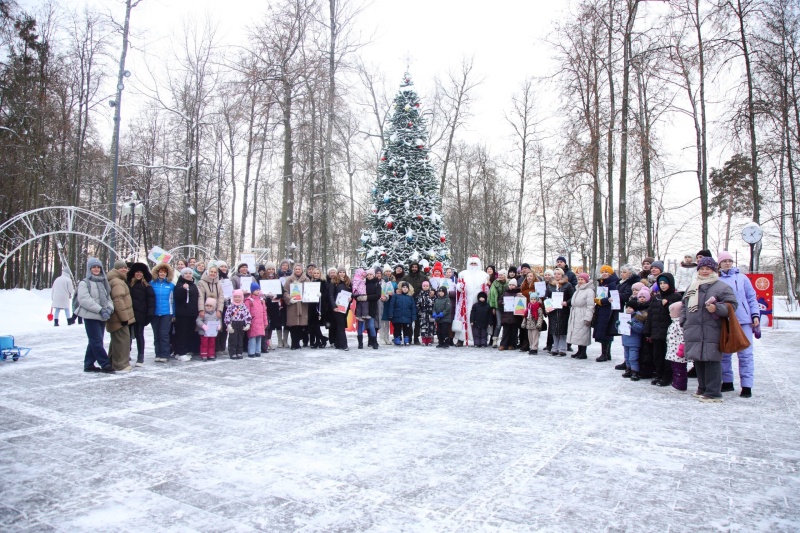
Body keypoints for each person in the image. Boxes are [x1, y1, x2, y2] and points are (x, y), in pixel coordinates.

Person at [681, 256, 738, 402]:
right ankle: (702, 388)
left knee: (711, 359)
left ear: (714, 270)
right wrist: (684, 321)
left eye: (708, 269)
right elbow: (684, 304)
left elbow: (732, 306)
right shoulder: (693, 285)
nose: (705, 271)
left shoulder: (722, 287)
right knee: (698, 359)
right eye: (702, 268)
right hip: (693, 328)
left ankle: (713, 392)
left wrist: (717, 308)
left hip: (713, 328)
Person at [717, 251, 759, 398]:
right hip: (725, 319)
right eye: (724, 261)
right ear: (719, 264)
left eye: (730, 260)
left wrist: (755, 315)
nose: (727, 263)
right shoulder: (717, 279)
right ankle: (727, 381)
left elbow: (751, 297)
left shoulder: (742, 278)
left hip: (743, 320)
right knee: (725, 352)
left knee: (746, 353)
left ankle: (747, 385)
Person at [76, 257, 115, 373]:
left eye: (98, 267)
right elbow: (84, 299)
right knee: (96, 341)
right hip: (90, 316)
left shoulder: (103, 282)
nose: (96, 269)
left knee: (95, 341)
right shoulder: (84, 283)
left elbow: (108, 298)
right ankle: (105, 363)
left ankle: (88, 364)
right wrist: (100, 310)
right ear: (90, 269)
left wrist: (109, 309)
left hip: (102, 316)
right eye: (94, 267)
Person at [644, 273, 682, 386]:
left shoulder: (676, 297)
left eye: (665, 283)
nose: (663, 285)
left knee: (668, 355)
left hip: (670, 333)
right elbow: (650, 315)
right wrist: (647, 331)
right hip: (656, 332)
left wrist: (668, 305)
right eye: (660, 283)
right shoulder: (656, 298)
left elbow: (677, 314)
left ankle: (667, 376)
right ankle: (659, 374)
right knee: (657, 355)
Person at [454, 255, 490, 346]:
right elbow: (458, 286)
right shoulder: (463, 274)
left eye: (475, 263)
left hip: (479, 301)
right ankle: (461, 339)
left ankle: (479, 340)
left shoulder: (484, 275)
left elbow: (487, 289)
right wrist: (460, 287)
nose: (473, 265)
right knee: (464, 319)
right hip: (466, 301)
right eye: (471, 263)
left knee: (478, 320)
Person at [105, 261, 134, 373]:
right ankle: (120, 365)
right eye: (121, 268)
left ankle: (113, 362)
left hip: (116, 317)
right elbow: (118, 300)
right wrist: (124, 318)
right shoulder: (117, 282)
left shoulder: (118, 280)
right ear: (116, 269)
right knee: (122, 341)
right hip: (119, 318)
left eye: (125, 268)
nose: (124, 270)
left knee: (117, 341)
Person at [127, 263, 154, 367]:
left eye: (140, 272)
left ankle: (140, 356)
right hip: (129, 314)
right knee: (127, 336)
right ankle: (126, 354)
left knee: (139, 335)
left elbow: (151, 302)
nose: (138, 274)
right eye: (137, 272)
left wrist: (149, 315)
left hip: (141, 315)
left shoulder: (147, 286)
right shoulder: (129, 285)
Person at [594, 265, 620, 362]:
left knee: (605, 332)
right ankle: (606, 353)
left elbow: (612, 298)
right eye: (603, 272)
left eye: (606, 272)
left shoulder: (612, 284)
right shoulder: (603, 283)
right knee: (603, 331)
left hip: (608, 310)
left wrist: (601, 301)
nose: (604, 274)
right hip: (602, 310)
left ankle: (605, 353)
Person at [546, 267, 574, 356]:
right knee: (554, 329)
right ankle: (555, 347)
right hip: (553, 311)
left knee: (562, 330)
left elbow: (573, 296)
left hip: (563, 311)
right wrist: (548, 305)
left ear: (562, 275)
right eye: (555, 274)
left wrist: (567, 302)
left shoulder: (567, 285)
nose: (556, 275)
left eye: (558, 274)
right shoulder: (550, 285)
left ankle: (562, 348)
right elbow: (547, 296)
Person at [150, 263, 175, 363]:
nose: (162, 274)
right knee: (156, 334)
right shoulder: (151, 284)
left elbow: (174, 301)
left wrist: (174, 314)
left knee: (164, 334)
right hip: (155, 313)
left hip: (166, 313)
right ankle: (158, 353)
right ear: (157, 272)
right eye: (160, 272)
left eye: (164, 272)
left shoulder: (171, 285)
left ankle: (165, 354)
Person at [283, 263, 311, 350]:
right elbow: (285, 291)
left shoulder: (306, 279)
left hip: (303, 305)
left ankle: (299, 342)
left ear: (302, 270)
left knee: (301, 325)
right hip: (293, 305)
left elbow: (309, 290)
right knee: (293, 325)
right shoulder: (289, 280)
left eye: (299, 269)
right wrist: (289, 299)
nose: (297, 271)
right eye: (296, 269)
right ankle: (294, 343)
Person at [567, 272, 594, 360]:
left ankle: (583, 352)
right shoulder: (578, 289)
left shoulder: (589, 291)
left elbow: (590, 305)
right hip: (576, 312)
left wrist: (588, 317)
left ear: (586, 280)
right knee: (578, 333)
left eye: (582, 279)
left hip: (583, 313)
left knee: (583, 333)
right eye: (579, 279)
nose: (580, 281)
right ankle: (579, 351)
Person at [620, 297, 645, 381]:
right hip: (626, 341)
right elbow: (621, 329)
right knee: (627, 357)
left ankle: (635, 371)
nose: (628, 309)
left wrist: (632, 324)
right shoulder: (625, 317)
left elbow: (640, 329)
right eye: (627, 307)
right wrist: (618, 325)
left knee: (633, 358)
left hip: (634, 342)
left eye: (630, 308)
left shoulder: (638, 317)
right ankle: (628, 369)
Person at [404, 261, 428, 344]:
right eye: (413, 267)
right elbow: (401, 286)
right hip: (408, 301)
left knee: (418, 321)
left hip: (419, 302)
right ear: (410, 268)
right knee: (409, 321)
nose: (414, 268)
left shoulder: (423, 277)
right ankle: (409, 337)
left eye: (416, 267)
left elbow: (428, 286)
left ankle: (416, 338)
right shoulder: (406, 278)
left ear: (418, 268)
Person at [329, 268, 352, 350]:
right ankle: (344, 345)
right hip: (337, 307)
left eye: (343, 272)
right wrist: (334, 306)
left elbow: (351, 293)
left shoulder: (348, 282)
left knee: (340, 325)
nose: (342, 273)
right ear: (338, 273)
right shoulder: (334, 282)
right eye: (340, 272)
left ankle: (338, 343)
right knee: (341, 325)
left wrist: (351, 299)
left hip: (345, 307)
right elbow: (331, 295)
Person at [224, 289, 252, 359]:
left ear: (242, 298)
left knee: (240, 338)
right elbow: (227, 316)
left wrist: (248, 324)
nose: (237, 299)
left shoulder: (244, 306)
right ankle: (232, 352)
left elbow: (247, 315)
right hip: (233, 323)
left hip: (241, 323)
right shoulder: (231, 306)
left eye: (239, 297)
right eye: (235, 297)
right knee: (233, 339)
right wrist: (228, 325)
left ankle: (239, 352)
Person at [666, 301, 687, 391]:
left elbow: (683, 336)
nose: (670, 314)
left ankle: (680, 384)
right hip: (673, 350)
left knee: (679, 369)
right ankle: (676, 382)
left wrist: (682, 348)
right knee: (675, 368)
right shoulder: (674, 322)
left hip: (678, 351)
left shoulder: (679, 324)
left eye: (671, 312)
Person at [358, 268, 381, 349]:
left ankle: (374, 342)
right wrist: (359, 297)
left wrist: (367, 297)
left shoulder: (377, 284)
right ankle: (361, 343)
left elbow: (378, 295)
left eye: (371, 274)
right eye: (367, 275)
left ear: (373, 275)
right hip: (363, 306)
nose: (369, 276)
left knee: (371, 325)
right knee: (361, 325)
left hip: (372, 306)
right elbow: (358, 291)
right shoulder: (363, 283)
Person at [388, 281, 416, 346]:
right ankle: (397, 339)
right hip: (397, 316)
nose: (405, 289)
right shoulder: (396, 296)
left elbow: (413, 308)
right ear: (401, 288)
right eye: (403, 287)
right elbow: (392, 306)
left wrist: (413, 317)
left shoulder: (410, 297)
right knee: (397, 329)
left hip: (407, 316)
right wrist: (391, 315)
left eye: (406, 287)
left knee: (407, 329)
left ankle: (406, 340)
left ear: (408, 289)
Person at [245, 282, 268, 358]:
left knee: (259, 337)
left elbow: (264, 312)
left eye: (259, 289)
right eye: (256, 290)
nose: (258, 291)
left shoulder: (261, 300)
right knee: (252, 337)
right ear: (252, 291)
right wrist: (248, 322)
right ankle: (251, 352)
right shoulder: (249, 301)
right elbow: (246, 312)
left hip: (260, 322)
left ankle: (258, 351)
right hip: (253, 322)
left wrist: (265, 322)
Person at [498, 278, 522, 351]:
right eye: (510, 285)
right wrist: (502, 302)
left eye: (513, 285)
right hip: (506, 315)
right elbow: (500, 300)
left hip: (515, 315)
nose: (511, 286)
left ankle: (512, 344)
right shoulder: (505, 293)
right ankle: (503, 344)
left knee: (514, 331)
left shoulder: (518, 293)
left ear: (516, 286)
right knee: (505, 331)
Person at [215, 261, 231, 355]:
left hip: (227, 305)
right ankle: (217, 347)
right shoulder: (215, 279)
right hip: (217, 305)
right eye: (222, 266)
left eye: (225, 266)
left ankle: (222, 345)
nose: (224, 268)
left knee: (225, 326)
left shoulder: (228, 279)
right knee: (218, 325)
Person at [379, 267, 397, 345]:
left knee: (387, 322)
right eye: (386, 271)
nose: (388, 273)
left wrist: (393, 294)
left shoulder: (393, 282)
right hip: (382, 302)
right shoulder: (381, 281)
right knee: (381, 321)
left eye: (389, 271)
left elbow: (396, 291)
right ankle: (381, 338)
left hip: (390, 303)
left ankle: (387, 337)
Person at [416, 280, 436, 346]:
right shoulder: (420, 294)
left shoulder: (431, 294)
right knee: (423, 327)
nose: (425, 287)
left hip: (430, 314)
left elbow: (435, 304)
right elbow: (417, 304)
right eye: (424, 286)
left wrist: (433, 311)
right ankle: (424, 340)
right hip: (423, 314)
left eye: (427, 286)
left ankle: (429, 340)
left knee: (430, 327)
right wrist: (419, 312)